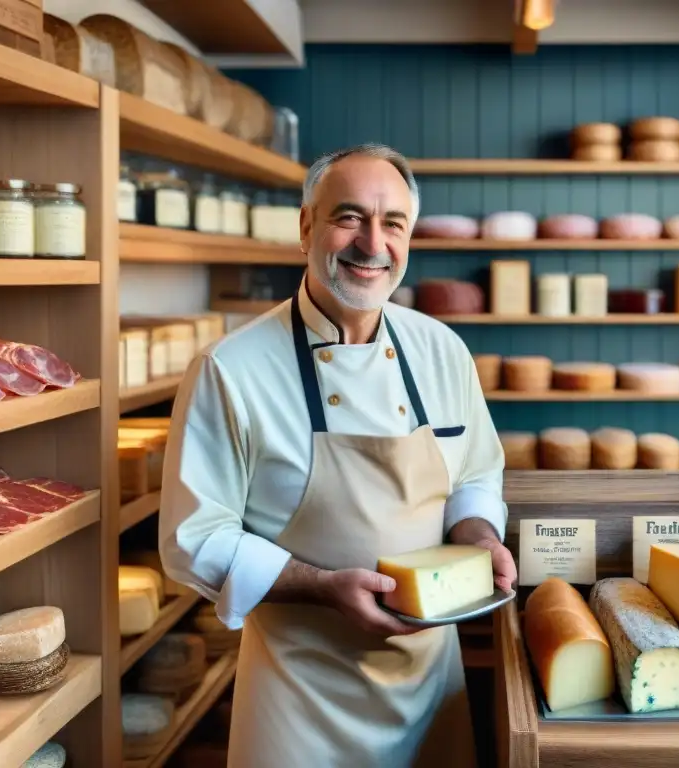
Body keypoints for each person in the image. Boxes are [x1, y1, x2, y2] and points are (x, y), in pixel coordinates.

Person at [158, 143, 516, 768]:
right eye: (349, 217)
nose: (372, 243)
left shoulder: (443, 350)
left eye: (393, 223)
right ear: (306, 227)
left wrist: (479, 534)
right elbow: (192, 536)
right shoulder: (230, 369)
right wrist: (322, 588)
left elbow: (477, 472)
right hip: (301, 697)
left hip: (431, 683)